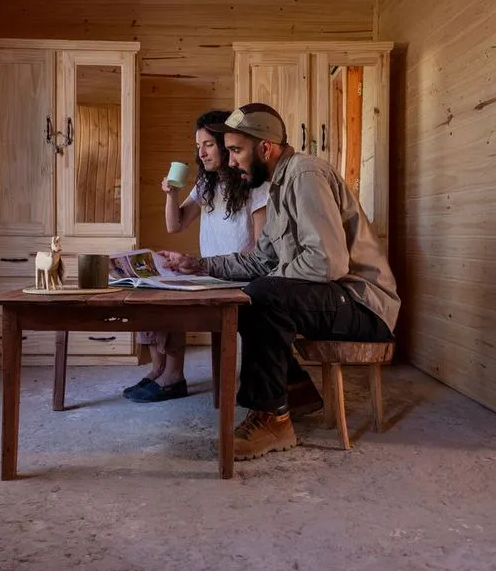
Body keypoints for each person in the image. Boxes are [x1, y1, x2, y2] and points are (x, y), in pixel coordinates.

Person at [159, 102, 401, 461]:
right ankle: (296, 391)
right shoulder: (278, 186)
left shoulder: (305, 174)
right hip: (333, 297)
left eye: (237, 150)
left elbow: (326, 263)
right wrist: (198, 265)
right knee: (253, 295)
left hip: (363, 304)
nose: (231, 161)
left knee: (263, 295)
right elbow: (260, 259)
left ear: (265, 148)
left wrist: (265, 285)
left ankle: (273, 418)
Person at [123, 110, 269, 403]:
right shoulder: (207, 184)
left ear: (225, 144)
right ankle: (159, 369)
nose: (201, 153)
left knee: (173, 297)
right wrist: (171, 193)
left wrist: (215, 268)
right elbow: (174, 225)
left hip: (237, 275)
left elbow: (259, 247)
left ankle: (173, 378)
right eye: (198, 146)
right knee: (151, 287)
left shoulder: (255, 186)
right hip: (208, 272)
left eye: (208, 145)